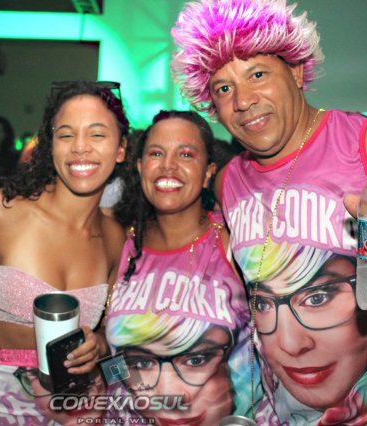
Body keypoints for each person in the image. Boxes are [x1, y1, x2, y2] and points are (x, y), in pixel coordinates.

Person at [171, 0, 367, 424]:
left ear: (295, 71)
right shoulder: (228, 182)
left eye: (258, 74)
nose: (243, 100)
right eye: (223, 88)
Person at [0, 80, 129, 425]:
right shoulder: (0, 211)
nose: (80, 147)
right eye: (66, 135)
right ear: (50, 145)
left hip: (83, 411)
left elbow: (113, 339)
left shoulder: (116, 237)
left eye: (97, 134)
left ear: (121, 149)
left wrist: (98, 345)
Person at [106, 110, 256, 424]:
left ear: (208, 173)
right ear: (140, 167)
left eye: (185, 154)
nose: (168, 166)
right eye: (156, 154)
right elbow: (113, 358)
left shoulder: (235, 240)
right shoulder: (122, 245)